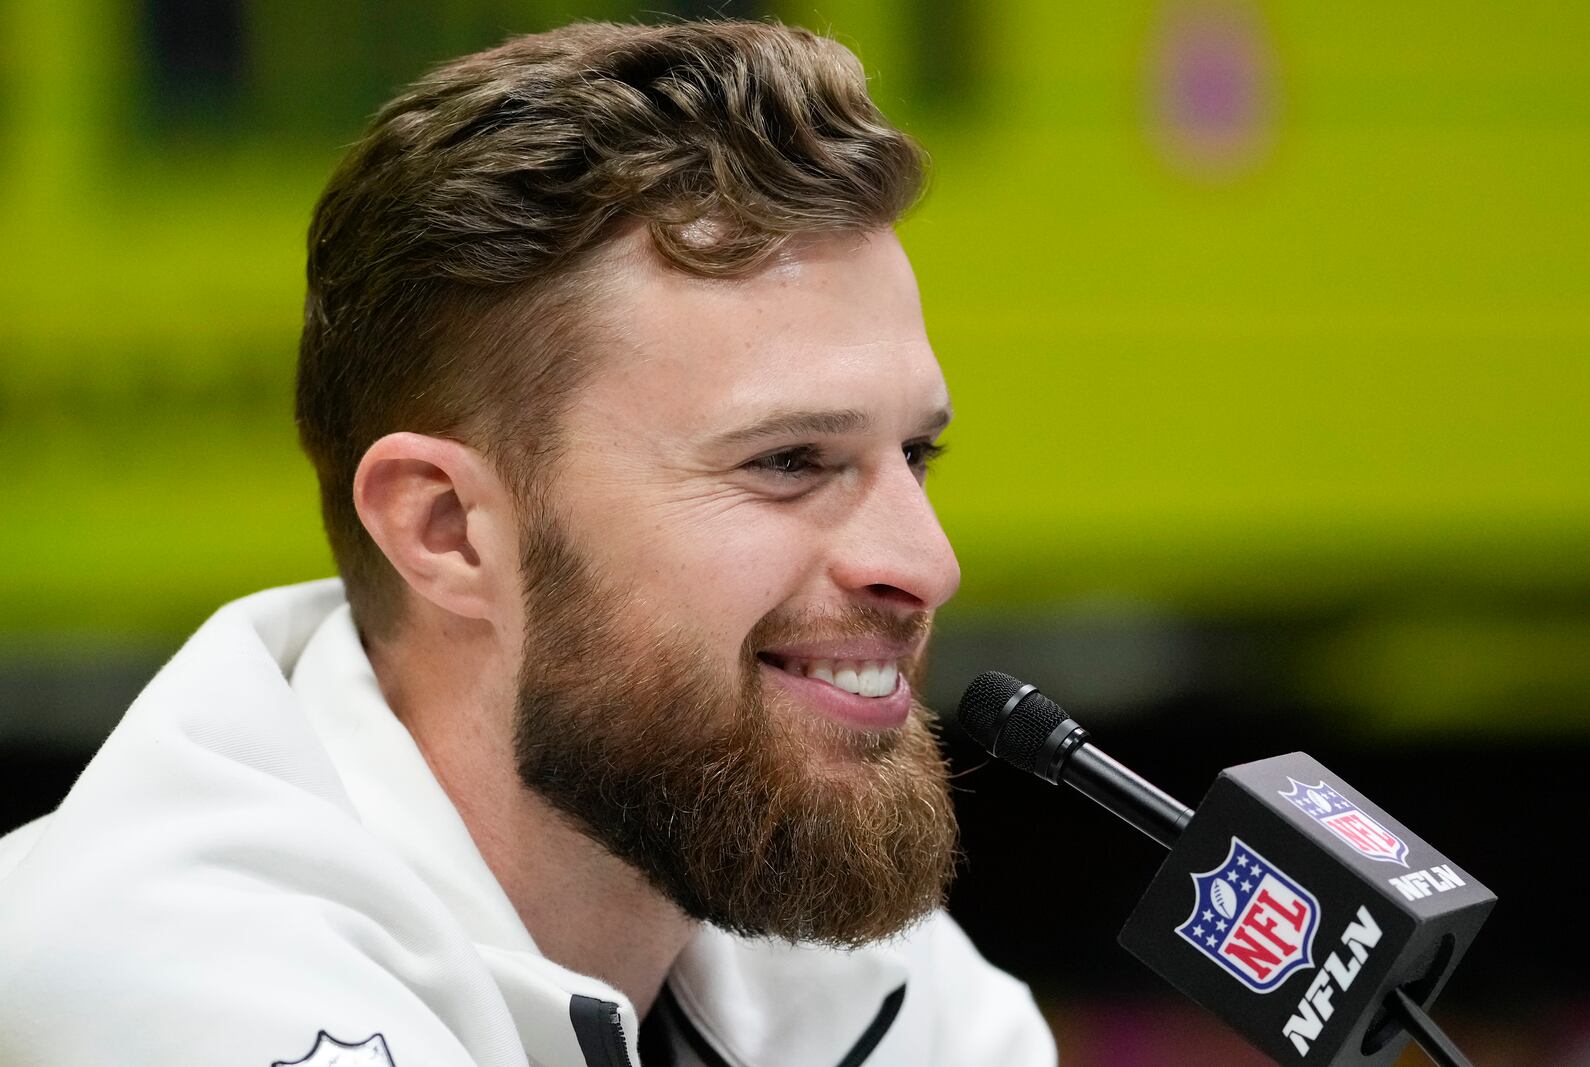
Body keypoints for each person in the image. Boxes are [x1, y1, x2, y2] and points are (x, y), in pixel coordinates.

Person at [0, 19, 1054, 1067]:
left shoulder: (837, 939)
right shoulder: (173, 982)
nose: (926, 564)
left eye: (914, 453)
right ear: (445, 529)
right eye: (786, 461)